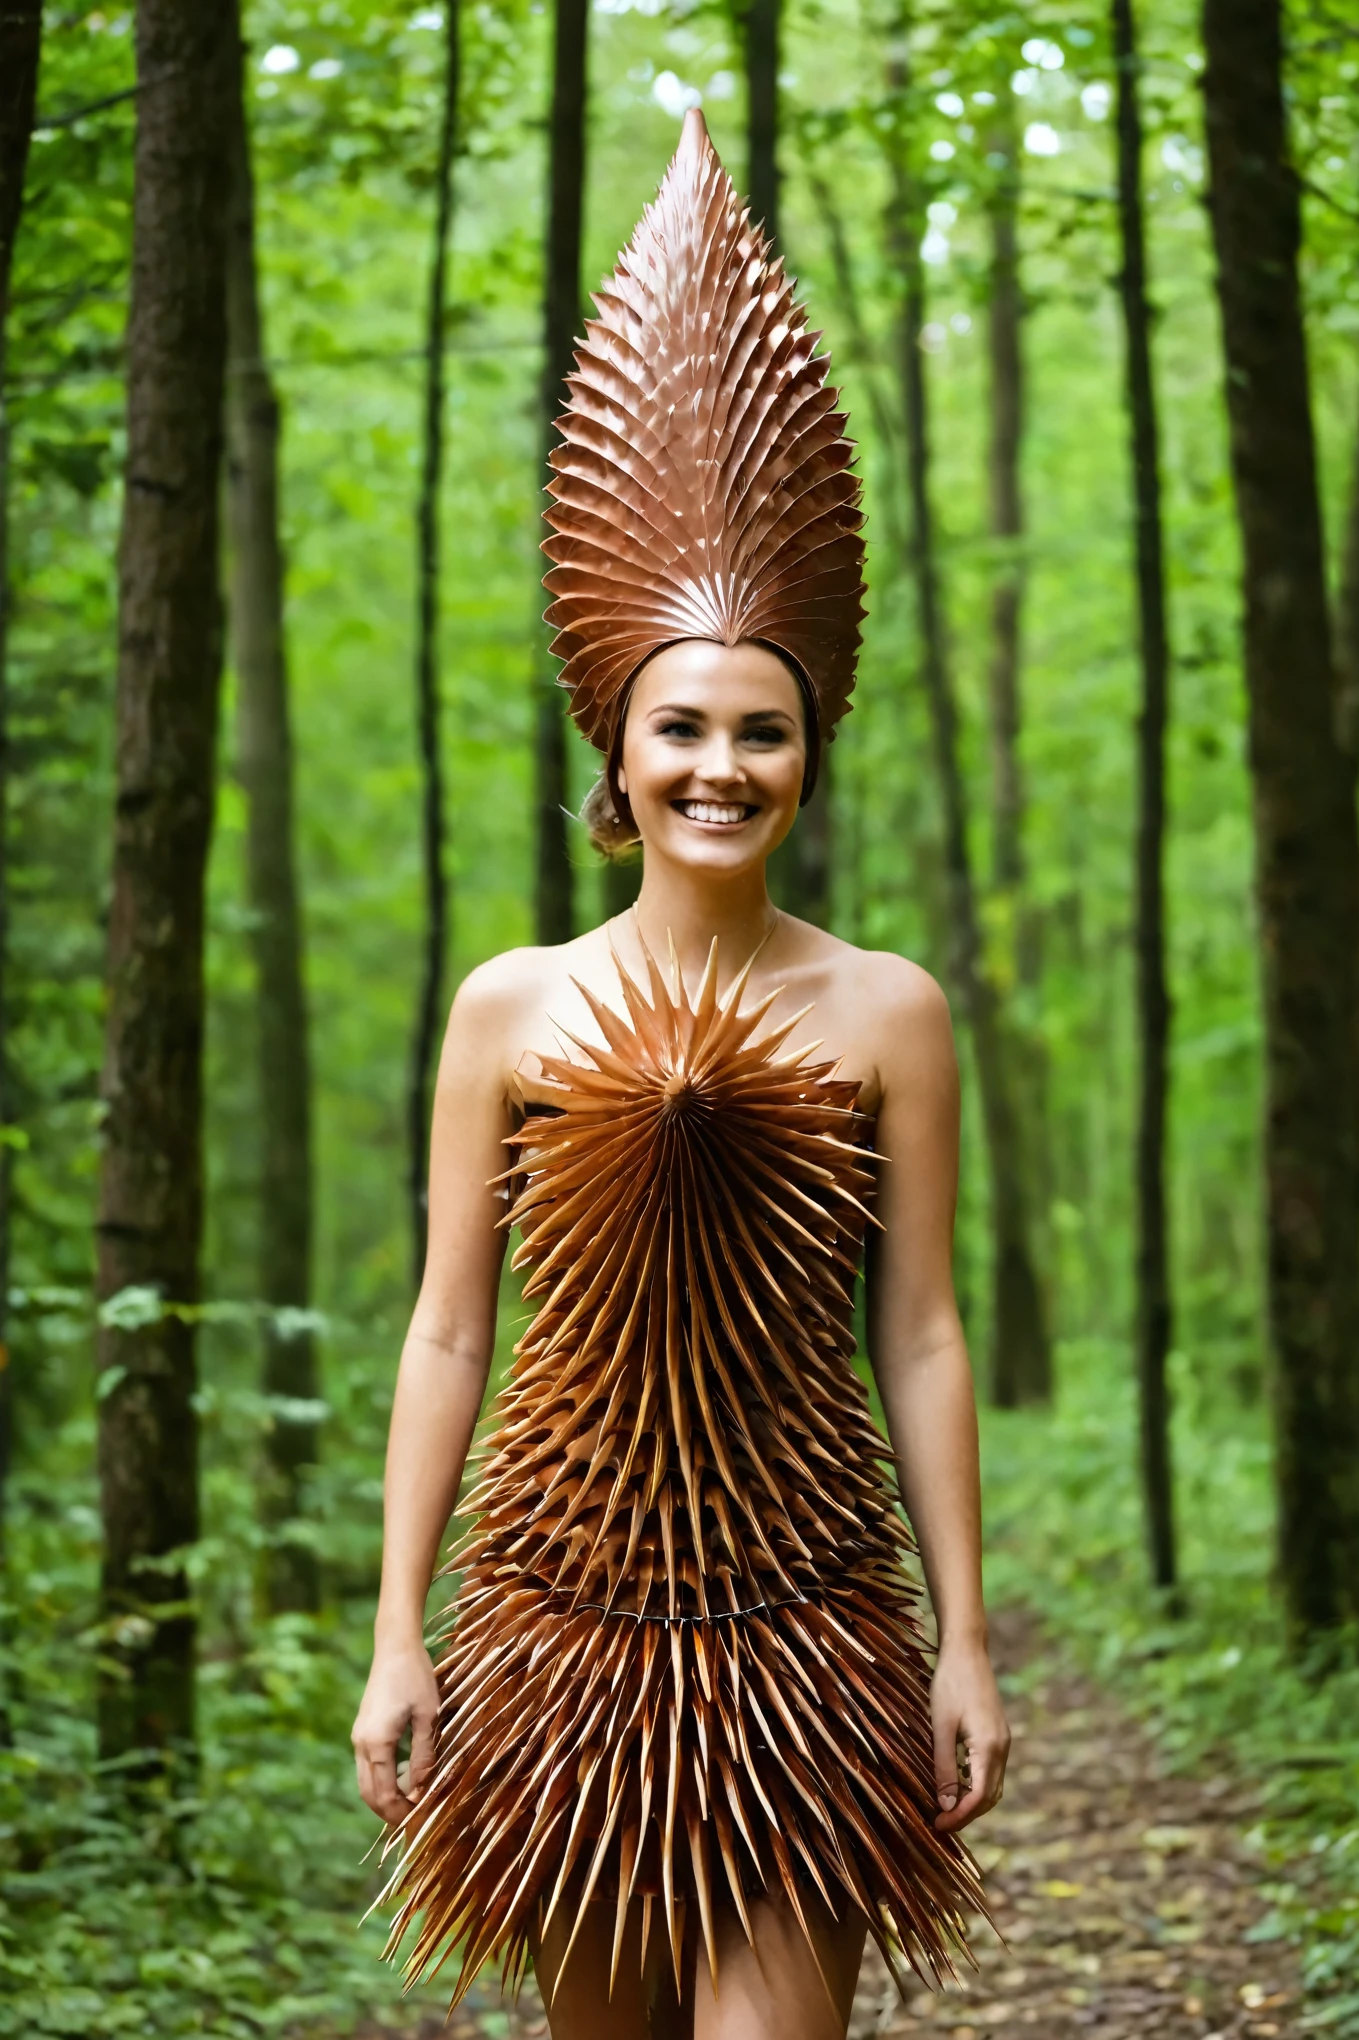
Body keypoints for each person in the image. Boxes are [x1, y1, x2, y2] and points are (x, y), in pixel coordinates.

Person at [352, 110, 1009, 2040]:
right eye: (683, 727)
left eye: (765, 729)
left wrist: (965, 1643)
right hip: (563, 1626)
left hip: (804, 1621)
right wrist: (401, 1634)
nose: (723, 764)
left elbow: (927, 1332)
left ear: (813, 753)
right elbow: (450, 1335)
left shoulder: (893, 1010)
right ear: (615, 750)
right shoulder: (510, 1007)